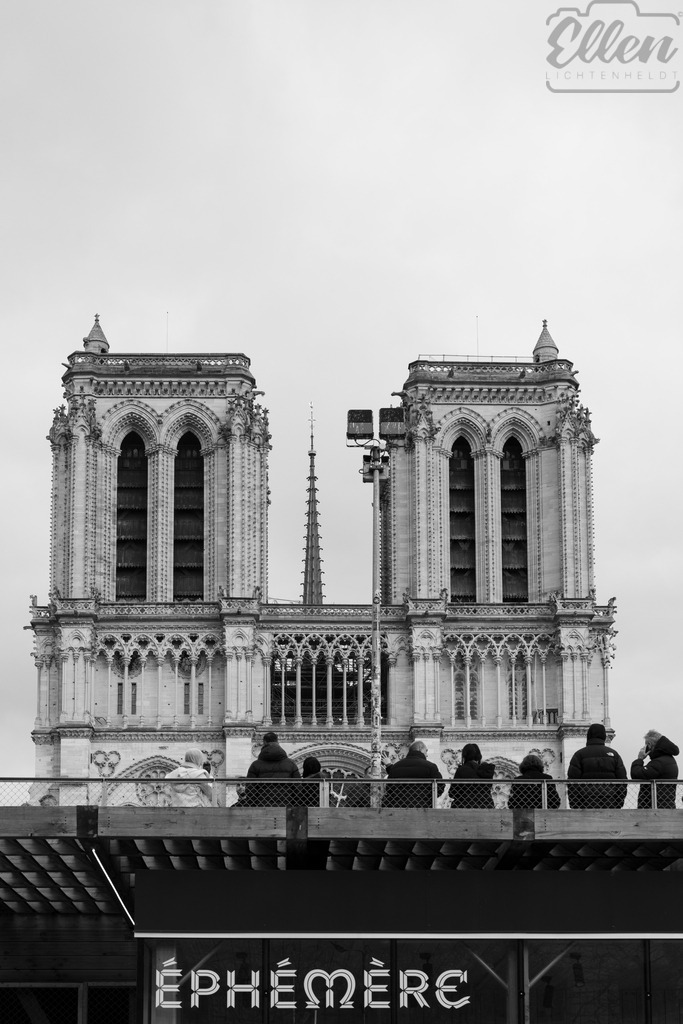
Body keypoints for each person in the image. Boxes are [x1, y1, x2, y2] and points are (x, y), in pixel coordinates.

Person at [567, 723, 627, 809]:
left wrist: (575, 805)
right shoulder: (614, 754)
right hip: (610, 801)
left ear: (589, 735)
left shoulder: (579, 754)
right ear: (604, 736)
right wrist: (618, 802)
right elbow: (622, 781)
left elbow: (572, 782)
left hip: (586, 803)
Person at [383, 741, 444, 808]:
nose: (427, 754)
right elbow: (440, 787)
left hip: (398, 806)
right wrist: (428, 797)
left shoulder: (395, 767)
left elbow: (389, 788)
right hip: (423, 806)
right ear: (420, 748)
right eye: (426, 751)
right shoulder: (431, 766)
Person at [246, 731, 300, 805]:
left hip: (262, 806)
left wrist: (255, 805)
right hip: (286, 807)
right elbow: (298, 788)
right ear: (277, 742)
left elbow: (250, 789)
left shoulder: (255, 765)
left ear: (264, 742)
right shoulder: (291, 764)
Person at [631, 730, 680, 809]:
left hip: (655, 808)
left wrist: (639, 759)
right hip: (666, 806)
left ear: (649, 745)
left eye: (646, 745)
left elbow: (636, 774)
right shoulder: (668, 759)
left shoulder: (658, 763)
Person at [449, 743, 495, 809]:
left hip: (464, 806)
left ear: (464, 756)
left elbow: (453, 793)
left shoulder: (461, 770)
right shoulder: (486, 770)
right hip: (486, 806)